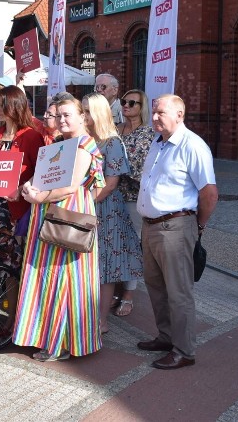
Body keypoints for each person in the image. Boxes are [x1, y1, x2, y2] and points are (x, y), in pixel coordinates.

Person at [13, 96, 105, 361]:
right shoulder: (61, 144)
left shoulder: (83, 146)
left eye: (68, 115)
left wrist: (36, 197)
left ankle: (60, 343)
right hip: (50, 214)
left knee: (64, 279)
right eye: (59, 115)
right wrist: (27, 187)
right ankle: (44, 336)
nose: (62, 120)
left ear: (82, 117)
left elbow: (69, 186)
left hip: (68, 216)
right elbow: (40, 176)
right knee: (47, 277)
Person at [137, 94, 218, 370]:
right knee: (156, 286)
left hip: (175, 226)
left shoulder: (192, 145)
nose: (155, 117)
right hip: (150, 227)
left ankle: (184, 350)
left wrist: (198, 226)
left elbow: (209, 193)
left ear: (179, 114)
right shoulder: (158, 144)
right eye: (154, 112)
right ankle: (166, 336)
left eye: (161, 113)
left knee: (179, 291)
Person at [82, 93, 143, 334]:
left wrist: (85, 203)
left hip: (104, 208)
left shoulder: (111, 142)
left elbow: (110, 183)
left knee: (106, 266)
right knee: (87, 263)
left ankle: (101, 321)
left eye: (87, 111)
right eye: (82, 110)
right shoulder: (82, 140)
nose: (83, 116)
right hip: (85, 204)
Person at [0, 85, 45, 271]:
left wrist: (22, 188)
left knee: (17, 258)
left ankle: (17, 298)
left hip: (19, 206)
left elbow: (41, 171)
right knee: (0, 255)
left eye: (0, 105)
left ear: (14, 106)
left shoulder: (31, 136)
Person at [113, 89, 154, 317]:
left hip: (131, 198)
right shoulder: (114, 128)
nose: (127, 105)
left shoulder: (146, 134)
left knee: (131, 246)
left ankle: (129, 293)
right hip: (111, 195)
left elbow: (140, 170)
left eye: (132, 103)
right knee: (113, 244)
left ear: (141, 107)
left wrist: (115, 168)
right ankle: (116, 289)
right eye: (124, 101)